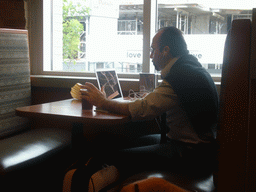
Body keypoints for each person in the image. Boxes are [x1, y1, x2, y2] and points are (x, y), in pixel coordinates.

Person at [81, 26, 219, 176]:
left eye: (153, 50)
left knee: (119, 155)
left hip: (191, 153)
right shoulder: (189, 69)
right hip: (196, 146)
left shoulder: (181, 76)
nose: (151, 56)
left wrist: (103, 102)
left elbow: (143, 109)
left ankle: (90, 177)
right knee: (132, 143)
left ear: (165, 50)